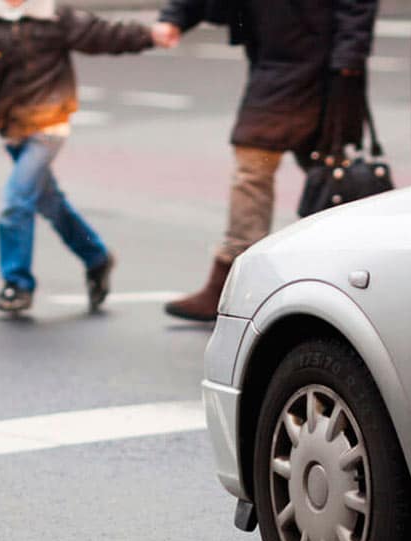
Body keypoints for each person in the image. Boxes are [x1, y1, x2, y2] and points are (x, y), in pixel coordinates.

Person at [154, 0, 377, 322]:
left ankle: (344, 272)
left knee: (308, 169)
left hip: (323, 66)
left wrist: (348, 62)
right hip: (276, 59)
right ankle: (240, 276)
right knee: (285, 166)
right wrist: (174, 18)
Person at [0, 0, 165, 314]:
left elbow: (102, 34)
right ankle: (96, 257)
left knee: (16, 201)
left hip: (49, 122)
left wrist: (150, 36)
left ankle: (17, 284)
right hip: (12, 127)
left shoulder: (54, 16)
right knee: (50, 202)